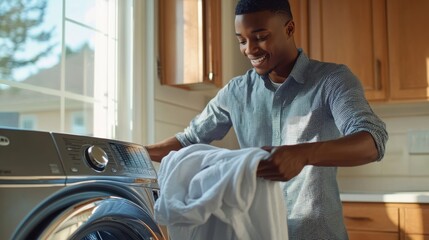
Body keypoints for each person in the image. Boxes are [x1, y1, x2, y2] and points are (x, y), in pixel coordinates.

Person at [146, 0, 388, 239]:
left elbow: (372, 141)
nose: (249, 49)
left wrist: (302, 154)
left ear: (289, 29)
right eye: (241, 40)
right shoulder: (236, 92)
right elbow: (188, 141)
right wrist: (136, 153)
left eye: (260, 36)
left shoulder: (331, 80)